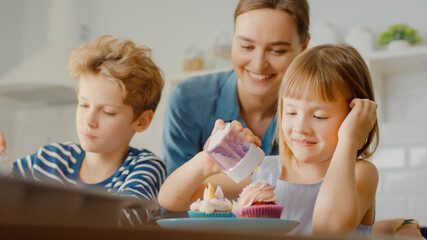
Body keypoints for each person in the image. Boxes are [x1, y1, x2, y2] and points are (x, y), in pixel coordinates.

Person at [159, 44, 379, 237]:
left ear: (355, 118)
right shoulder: (263, 173)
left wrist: (349, 139)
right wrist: (208, 161)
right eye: (291, 113)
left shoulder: (361, 174)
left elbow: (329, 228)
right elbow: (172, 201)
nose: (300, 128)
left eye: (319, 116)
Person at [0, 35, 166, 226]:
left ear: (142, 121)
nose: (89, 121)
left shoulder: (145, 167)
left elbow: (122, 223)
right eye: (84, 105)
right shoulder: (51, 157)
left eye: (108, 112)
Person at [161, 0, 310, 178]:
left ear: (303, 47)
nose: (258, 64)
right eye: (246, 47)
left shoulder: (320, 109)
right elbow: (174, 198)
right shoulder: (187, 102)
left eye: (277, 50)